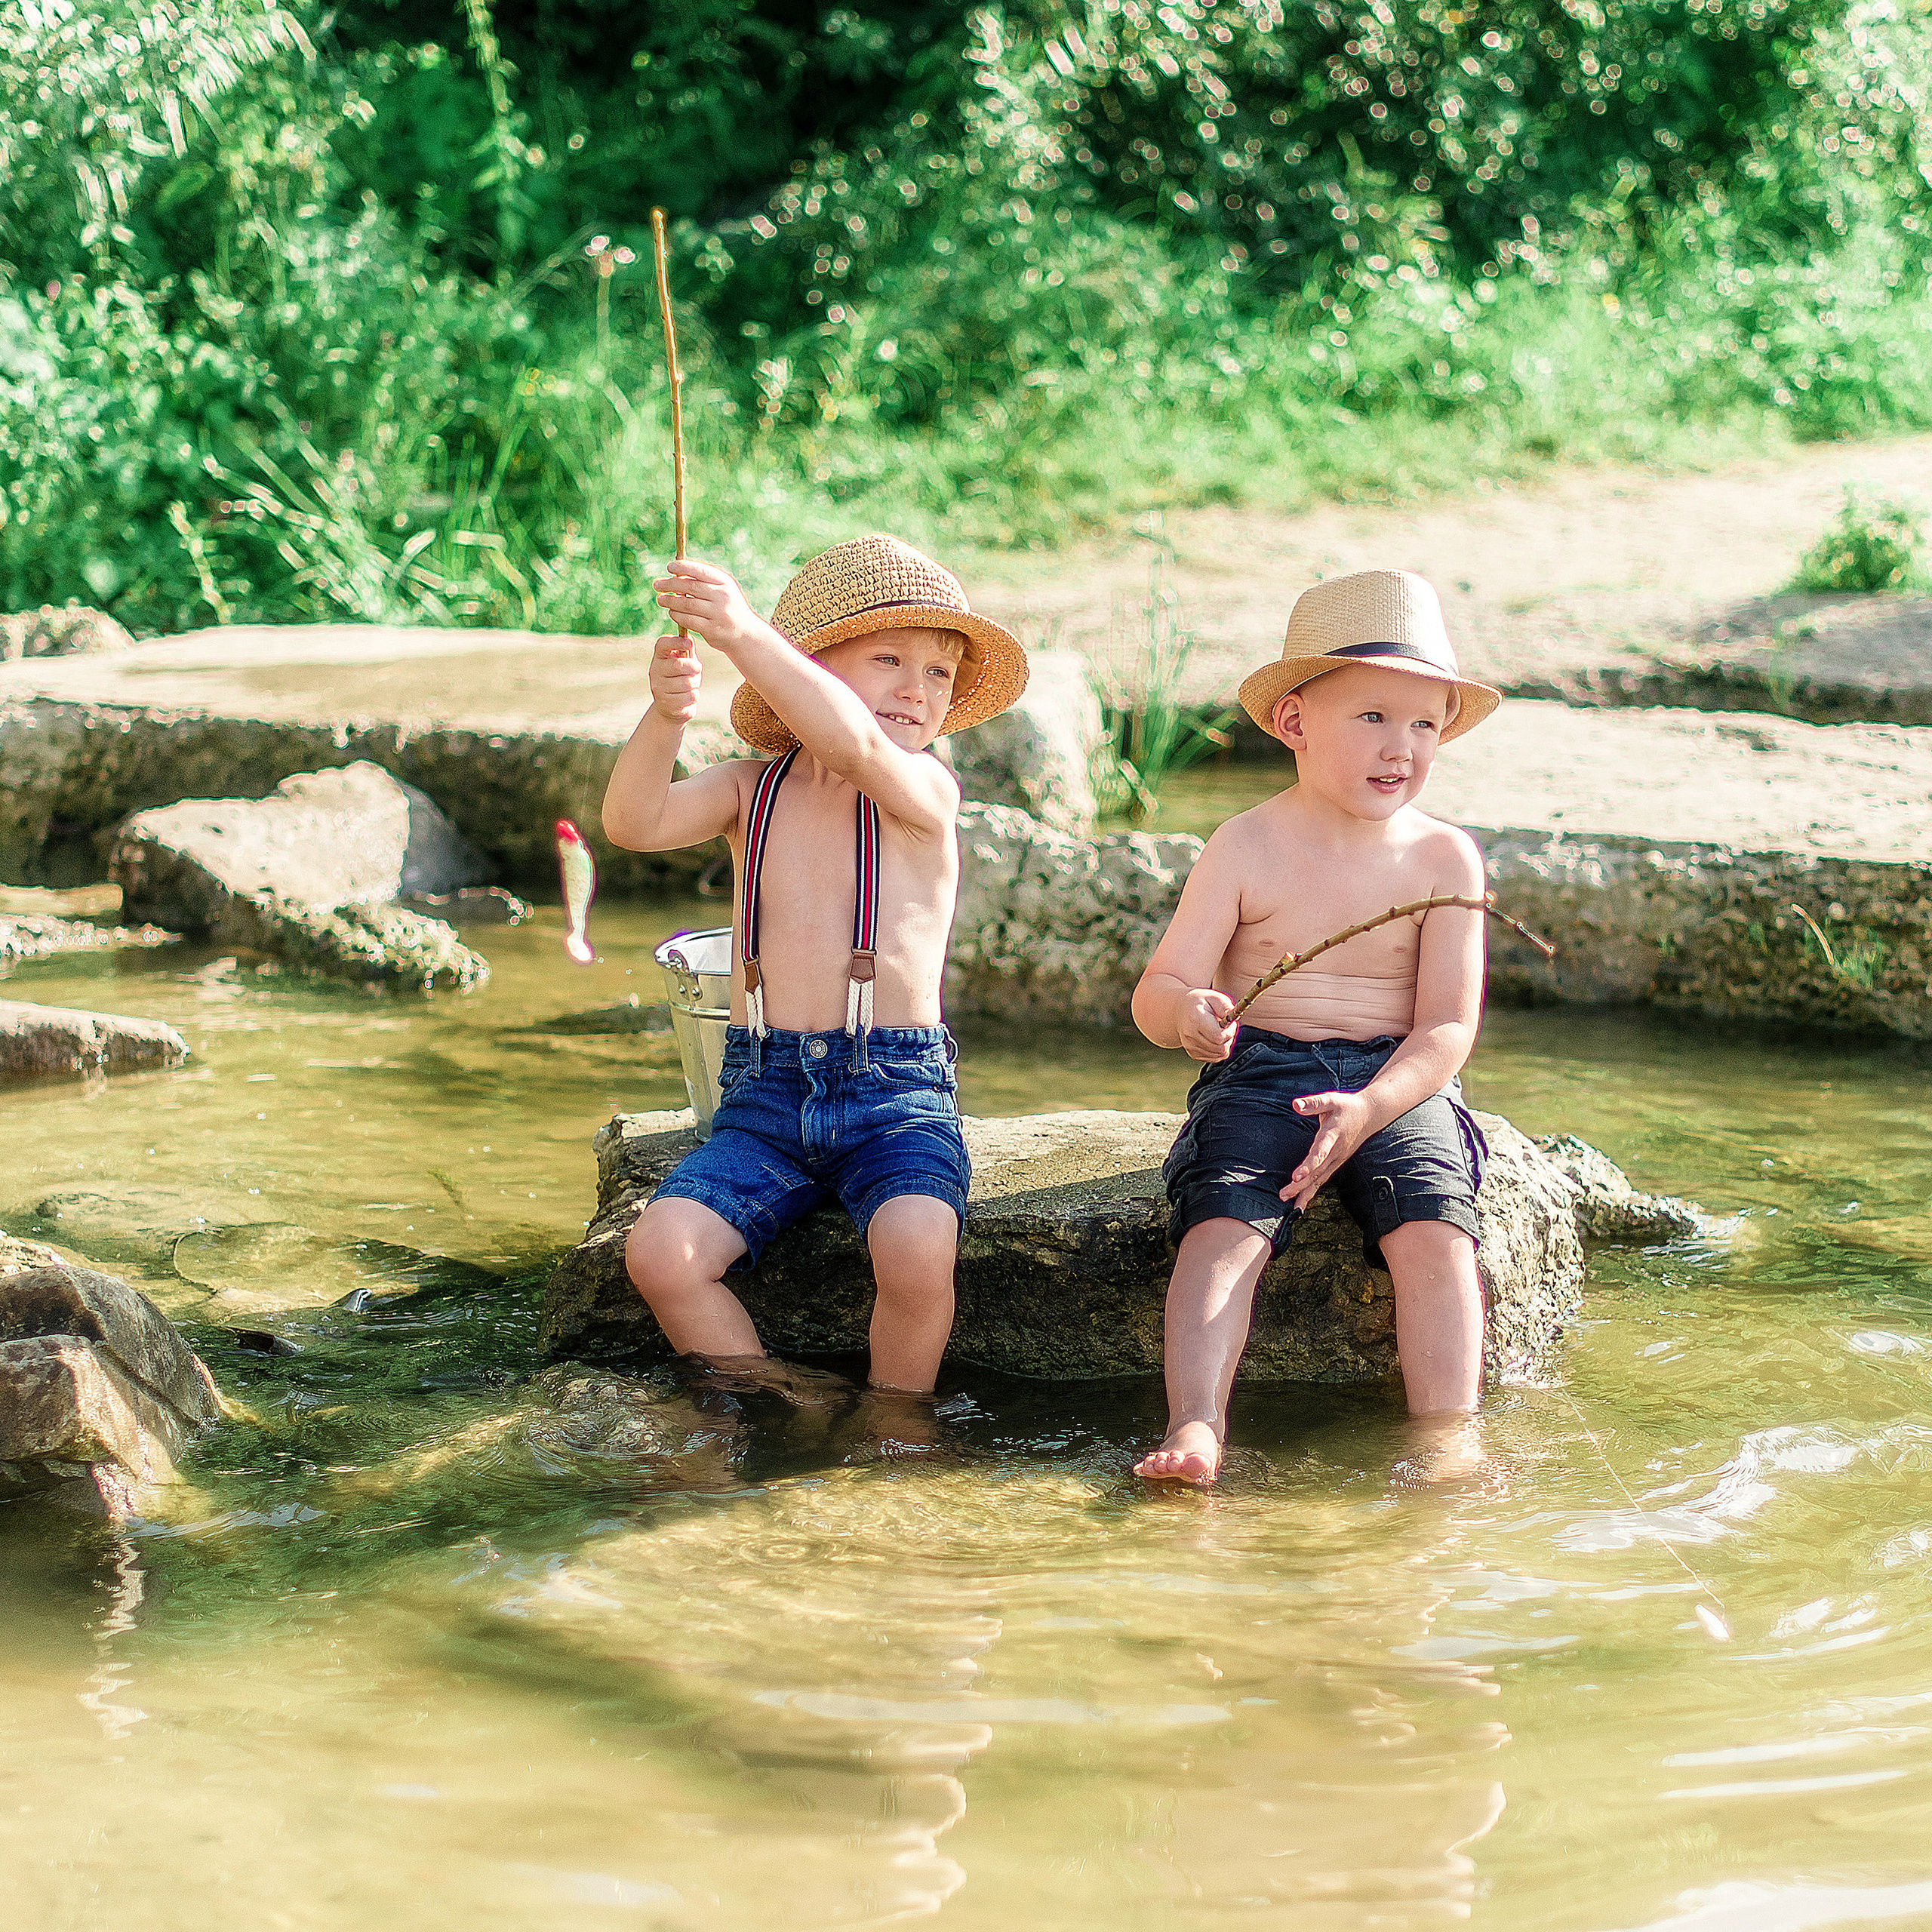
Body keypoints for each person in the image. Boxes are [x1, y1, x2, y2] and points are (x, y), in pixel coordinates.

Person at [602, 534, 1028, 1396]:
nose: (917, 688)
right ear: (810, 668)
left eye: (939, 673)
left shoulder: (921, 789)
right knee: (662, 1253)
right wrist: (665, 715)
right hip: (763, 1094)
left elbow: (855, 749)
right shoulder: (744, 791)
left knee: (915, 1250)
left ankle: (895, 1423)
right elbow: (632, 822)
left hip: (895, 1091)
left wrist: (741, 632)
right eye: (887, 659)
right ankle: (777, 1395)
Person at [1129, 569, 1503, 1484]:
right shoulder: (1245, 846)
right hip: (1263, 1072)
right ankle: (1197, 1422)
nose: (1401, 747)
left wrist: (1375, 1106)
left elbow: (1448, 1027)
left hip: (1393, 1077)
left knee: (1435, 1232)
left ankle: (1445, 1434)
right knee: (1224, 1228)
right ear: (1294, 722)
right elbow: (1158, 987)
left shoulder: (1443, 856)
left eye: (1425, 724)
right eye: (1372, 717)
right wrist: (1189, 1014)